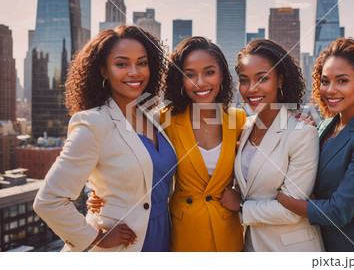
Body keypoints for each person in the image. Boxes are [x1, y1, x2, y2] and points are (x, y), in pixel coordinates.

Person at [33, 25, 177, 252]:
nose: (134, 72)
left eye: (142, 63)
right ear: (103, 71)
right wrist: (93, 237)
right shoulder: (93, 123)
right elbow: (49, 200)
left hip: (162, 234)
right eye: (122, 64)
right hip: (123, 245)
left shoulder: (153, 117)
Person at [276, 37, 354, 252]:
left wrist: (281, 199)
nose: (330, 89)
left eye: (342, 80)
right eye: (325, 81)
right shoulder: (324, 126)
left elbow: (338, 212)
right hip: (322, 245)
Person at [220, 39, 324, 251]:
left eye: (262, 78)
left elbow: (292, 211)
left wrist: (240, 206)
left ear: (280, 80)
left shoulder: (302, 133)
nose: (251, 89)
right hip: (251, 247)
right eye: (244, 80)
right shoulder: (244, 126)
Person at [160, 36, 245, 251]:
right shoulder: (163, 120)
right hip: (185, 233)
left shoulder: (240, 119)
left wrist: (302, 120)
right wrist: (100, 195)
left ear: (222, 75)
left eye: (209, 72)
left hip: (228, 233)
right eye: (190, 75)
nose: (200, 82)